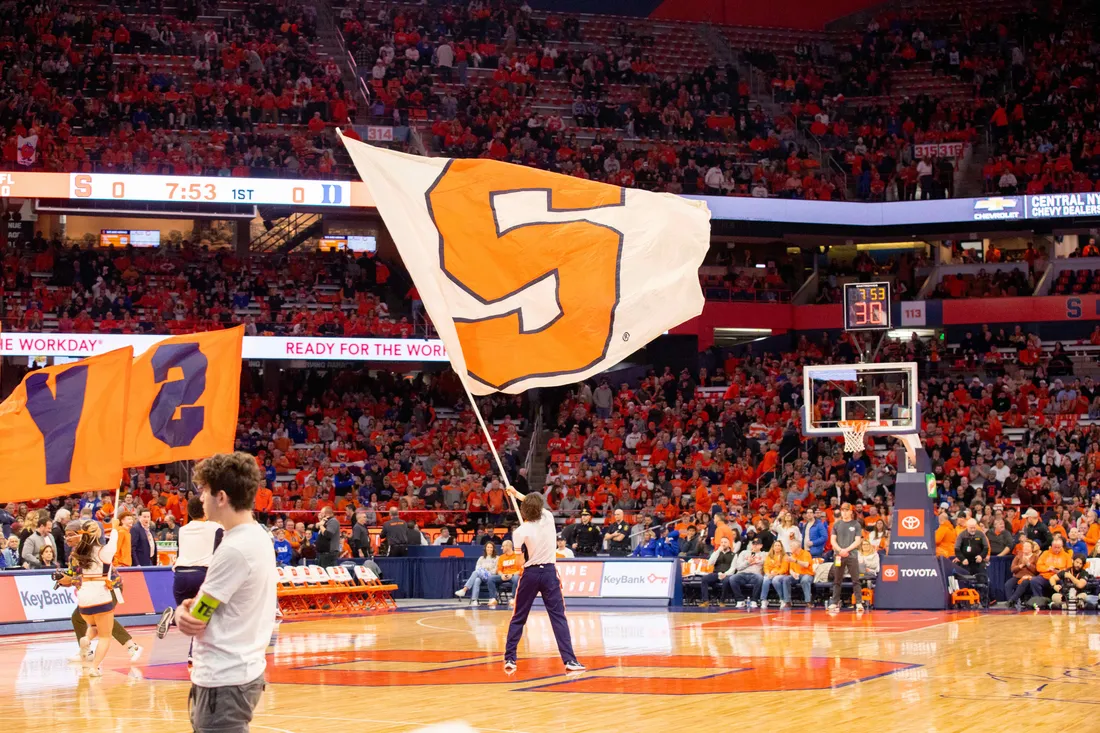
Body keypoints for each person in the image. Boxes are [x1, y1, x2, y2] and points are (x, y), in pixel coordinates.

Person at [176, 452, 277, 733]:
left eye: (204, 491)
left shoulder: (234, 548)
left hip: (224, 678)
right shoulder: (257, 535)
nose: (200, 498)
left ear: (221, 497)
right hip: (242, 671)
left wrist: (179, 612)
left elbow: (196, 619)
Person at [502, 487, 584, 673]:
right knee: (558, 617)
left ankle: (510, 659)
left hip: (530, 574)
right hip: (548, 573)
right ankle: (570, 660)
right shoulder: (548, 518)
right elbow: (532, 503)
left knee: (518, 617)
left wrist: (522, 559)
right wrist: (516, 493)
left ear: (523, 512)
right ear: (539, 508)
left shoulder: (520, 532)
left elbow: (517, 562)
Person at [60, 520, 142, 664]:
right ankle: (86, 651)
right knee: (78, 617)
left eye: (71, 535)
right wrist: (63, 579)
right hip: (93, 590)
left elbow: (77, 578)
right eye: (65, 536)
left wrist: (69, 580)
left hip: (110, 586)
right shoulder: (75, 554)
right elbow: (73, 575)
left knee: (102, 619)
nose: (67, 538)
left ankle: (132, 646)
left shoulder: (94, 550)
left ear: (81, 535)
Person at [156, 497, 224, 645]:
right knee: (205, 619)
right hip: (201, 574)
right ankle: (193, 653)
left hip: (180, 576)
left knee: (189, 618)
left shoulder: (183, 530)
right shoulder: (214, 527)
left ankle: (174, 619)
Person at [71, 513, 126, 676]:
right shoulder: (104, 551)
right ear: (98, 533)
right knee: (105, 636)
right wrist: (115, 527)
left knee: (95, 626)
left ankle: (86, 640)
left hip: (84, 596)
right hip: (100, 594)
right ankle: (94, 668)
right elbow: (114, 542)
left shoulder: (80, 552)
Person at [828, 503, 864, 612]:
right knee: (837, 579)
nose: (844, 512)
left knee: (855, 579)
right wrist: (840, 550)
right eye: (842, 510)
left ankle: (859, 602)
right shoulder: (837, 524)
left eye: (846, 510)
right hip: (839, 555)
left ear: (851, 512)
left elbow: (857, 541)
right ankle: (834, 602)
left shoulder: (856, 524)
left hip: (852, 555)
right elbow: (832, 540)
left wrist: (846, 550)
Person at [725, 536, 766, 608]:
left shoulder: (764, 554)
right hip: (742, 574)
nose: (755, 545)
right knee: (732, 578)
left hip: (755, 575)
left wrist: (756, 561)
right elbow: (738, 567)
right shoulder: (743, 553)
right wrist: (748, 562)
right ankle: (740, 600)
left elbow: (765, 563)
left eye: (757, 544)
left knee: (760, 578)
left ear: (761, 545)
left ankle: (754, 600)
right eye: (753, 543)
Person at [954, 518, 990, 596]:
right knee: (964, 581)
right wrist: (962, 559)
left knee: (983, 579)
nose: (973, 529)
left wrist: (981, 556)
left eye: (974, 527)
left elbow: (986, 548)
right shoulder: (961, 535)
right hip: (965, 563)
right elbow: (957, 549)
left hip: (978, 562)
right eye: (971, 528)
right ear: (967, 527)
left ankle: (988, 599)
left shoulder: (980, 534)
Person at [1031, 535, 1072, 600]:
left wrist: (1060, 572)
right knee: (1034, 581)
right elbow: (1038, 567)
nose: (1057, 549)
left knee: (1064, 583)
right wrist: (1048, 568)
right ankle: (1039, 600)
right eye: (1055, 547)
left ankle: (1061, 600)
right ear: (1051, 546)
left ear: (1062, 547)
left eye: (1059, 547)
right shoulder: (1045, 553)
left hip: (1058, 578)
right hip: (1045, 576)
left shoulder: (1066, 556)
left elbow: (1069, 568)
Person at [698, 536, 736, 606]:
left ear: (729, 544)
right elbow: (710, 563)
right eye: (722, 542)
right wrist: (718, 551)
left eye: (725, 542)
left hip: (727, 574)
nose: (723, 544)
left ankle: (722, 601)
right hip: (716, 573)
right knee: (704, 579)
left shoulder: (734, 555)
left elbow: (733, 568)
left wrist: (725, 574)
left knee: (726, 581)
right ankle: (705, 601)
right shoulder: (716, 552)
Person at [1004, 539, 1039, 609]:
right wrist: (1021, 566)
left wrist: (1028, 564)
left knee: (1024, 582)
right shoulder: (1018, 556)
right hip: (1017, 576)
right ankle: (1011, 603)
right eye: (1024, 546)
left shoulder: (1035, 557)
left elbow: (1036, 571)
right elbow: (1012, 569)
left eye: (1028, 546)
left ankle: (1012, 601)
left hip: (1029, 577)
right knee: (1008, 584)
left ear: (1032, 548)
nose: (1025, 548)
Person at [760, 541, 791, 609]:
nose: (777, 547)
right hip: (770, 574)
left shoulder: (785, 556)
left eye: (779, 545)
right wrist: (768, 573)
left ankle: (782, 599)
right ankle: (763, 600)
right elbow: (766, 566)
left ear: (781, 548)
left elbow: (784, 569)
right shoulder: (769, 556)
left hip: (782, 574)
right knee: (765, 579)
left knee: (775, 580)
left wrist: (775, 573)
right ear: (773, 547)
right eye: (775, 545)